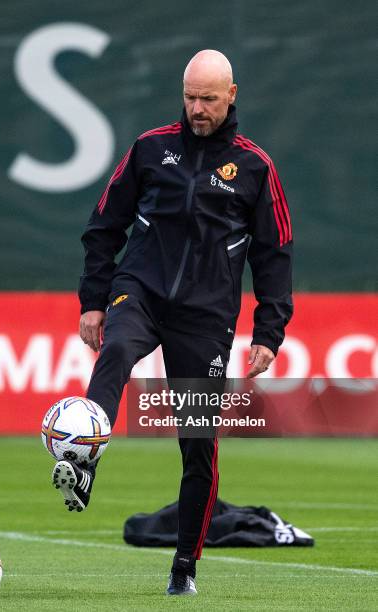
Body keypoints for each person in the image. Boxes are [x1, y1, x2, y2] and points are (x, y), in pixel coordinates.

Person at [52, 49, 293, 595]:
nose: (197, 109)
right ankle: (83, 457)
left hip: (206, 319)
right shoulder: (149, 148)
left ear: (232, 95)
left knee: (199, 444)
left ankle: (184, 565)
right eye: (189, 97)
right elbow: (103, 227)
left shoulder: (256, 167)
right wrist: (93, 300)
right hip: (139, 292)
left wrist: (269, 332)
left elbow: (275, 253)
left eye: (208, 98)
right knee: (114, 353)